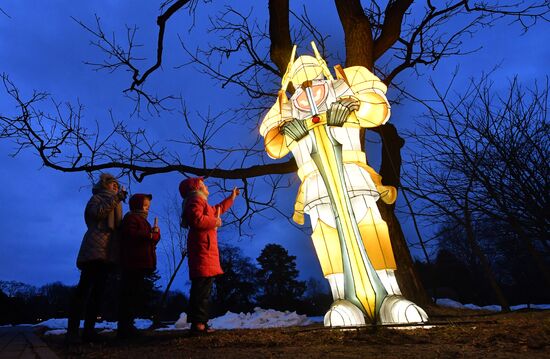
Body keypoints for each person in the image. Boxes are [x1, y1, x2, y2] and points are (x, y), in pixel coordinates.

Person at [66, 173, 127, 344]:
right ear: (103, 185)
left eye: (117, 185)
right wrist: (116, 199)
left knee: (98, 293)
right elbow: (97, 214)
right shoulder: (97, 198)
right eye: (112, 184)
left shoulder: (116, 202)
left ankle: (89, 331)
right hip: (94, 248)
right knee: (84, 289)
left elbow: (117, 226)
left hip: (109, 251)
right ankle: (72, 332)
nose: (115, 187)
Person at [179, 177, 239, 334]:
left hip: (205, 249)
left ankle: (200, 323)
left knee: (203, 287)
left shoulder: (201, 202)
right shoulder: (195, 200)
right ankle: (198, 324)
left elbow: (217, 209)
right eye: (203, 184)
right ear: (196, 188)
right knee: (202, 288)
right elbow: (197, 220)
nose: (206, 186)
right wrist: (215, 222)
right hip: (202, 249)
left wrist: (231, 198)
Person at [117, 193, 161, 339]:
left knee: (134, 294)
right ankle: (125, 327)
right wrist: (149, 235)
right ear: (137, 205)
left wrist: (155, 234)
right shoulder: (131, 218)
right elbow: (131, 234)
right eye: (145, 205)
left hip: (141, 262)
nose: (148, 208)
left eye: (148, 205)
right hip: (132, 262)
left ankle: (129, 325)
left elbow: (151, 240)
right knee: (128, 294)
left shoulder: (144, 221)